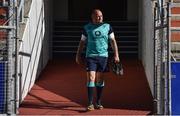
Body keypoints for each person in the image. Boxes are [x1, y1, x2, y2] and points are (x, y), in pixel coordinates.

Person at [76, 9, 119, 111]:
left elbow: (113, 41)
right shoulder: (87, 28)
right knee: (91, 78)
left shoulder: (107, 27)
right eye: (97, 16)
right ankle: (90, 103)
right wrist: (78, 55)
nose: (100, 18)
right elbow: (82, 42)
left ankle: (98, 102)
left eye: (101, 16)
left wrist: (116, 55)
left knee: (100, 79)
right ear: (92, 17)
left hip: (103, 56)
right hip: (90, 56)